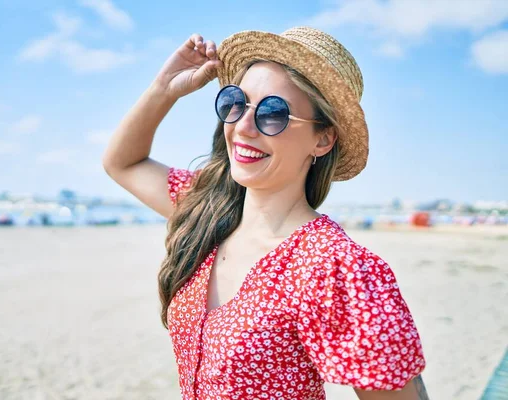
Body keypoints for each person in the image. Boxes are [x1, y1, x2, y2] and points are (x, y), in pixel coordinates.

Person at [103, 26, 428, 400]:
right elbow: (122, 163)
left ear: (322, 139)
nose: (241, 127)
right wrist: (165, 88)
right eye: (236, 103)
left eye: (273, 113)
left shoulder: (333, 267)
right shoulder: (207, 211)